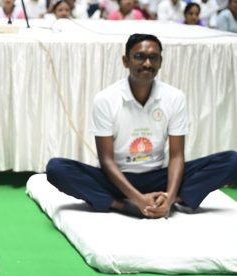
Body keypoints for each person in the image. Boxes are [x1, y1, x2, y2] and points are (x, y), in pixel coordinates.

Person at [46, 34, 237, 218]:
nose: (147, 63)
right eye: (139, 57)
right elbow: (107, 160)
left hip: (158, 177)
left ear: (160, 62)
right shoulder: (105, 99)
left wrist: (170, 197)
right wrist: (136, 200)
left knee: (231, 160)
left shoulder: (174, 97)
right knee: (57, 168)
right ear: (126, 61)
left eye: (153, 58)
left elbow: (177, 155)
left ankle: (170, 201)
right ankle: (122, 205)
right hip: (116, 179)